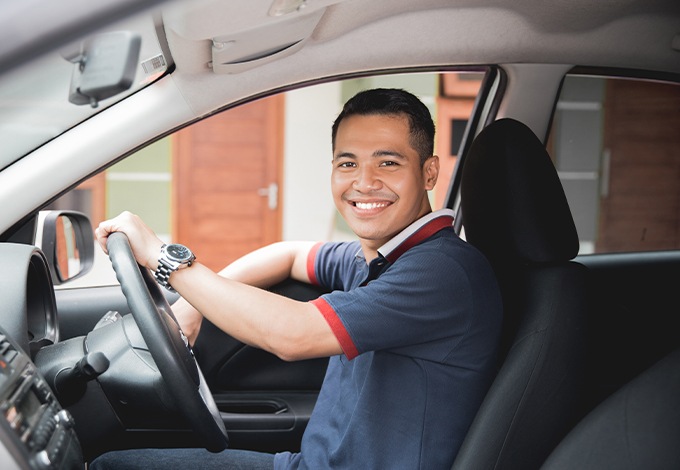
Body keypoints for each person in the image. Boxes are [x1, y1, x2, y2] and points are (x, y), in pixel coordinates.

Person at [90, 88, 503, 470]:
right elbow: (288, 255)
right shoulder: (379, 255)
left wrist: (165, 259)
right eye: (348, 163)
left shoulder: (443, 271)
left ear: (429, 174)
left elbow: (291, 335)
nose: (364, 182)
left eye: (388, 162)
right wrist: (189, 311)